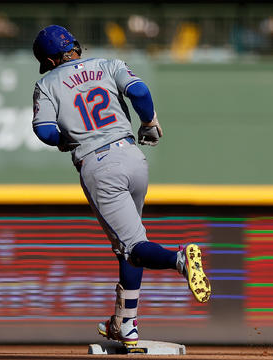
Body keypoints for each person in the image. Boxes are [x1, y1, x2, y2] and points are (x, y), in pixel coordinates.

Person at [31, 25, 211, 346]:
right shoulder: (108, 64)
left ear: (48, 59)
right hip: (133, 157)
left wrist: (65, 141)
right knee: (128, 246)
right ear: (74, 46)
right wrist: (149, 122)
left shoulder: (46, 83)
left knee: (132, 246)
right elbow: (139, 93)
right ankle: (125, 324)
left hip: (99, 166)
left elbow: (45, 131)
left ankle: (180, 259)